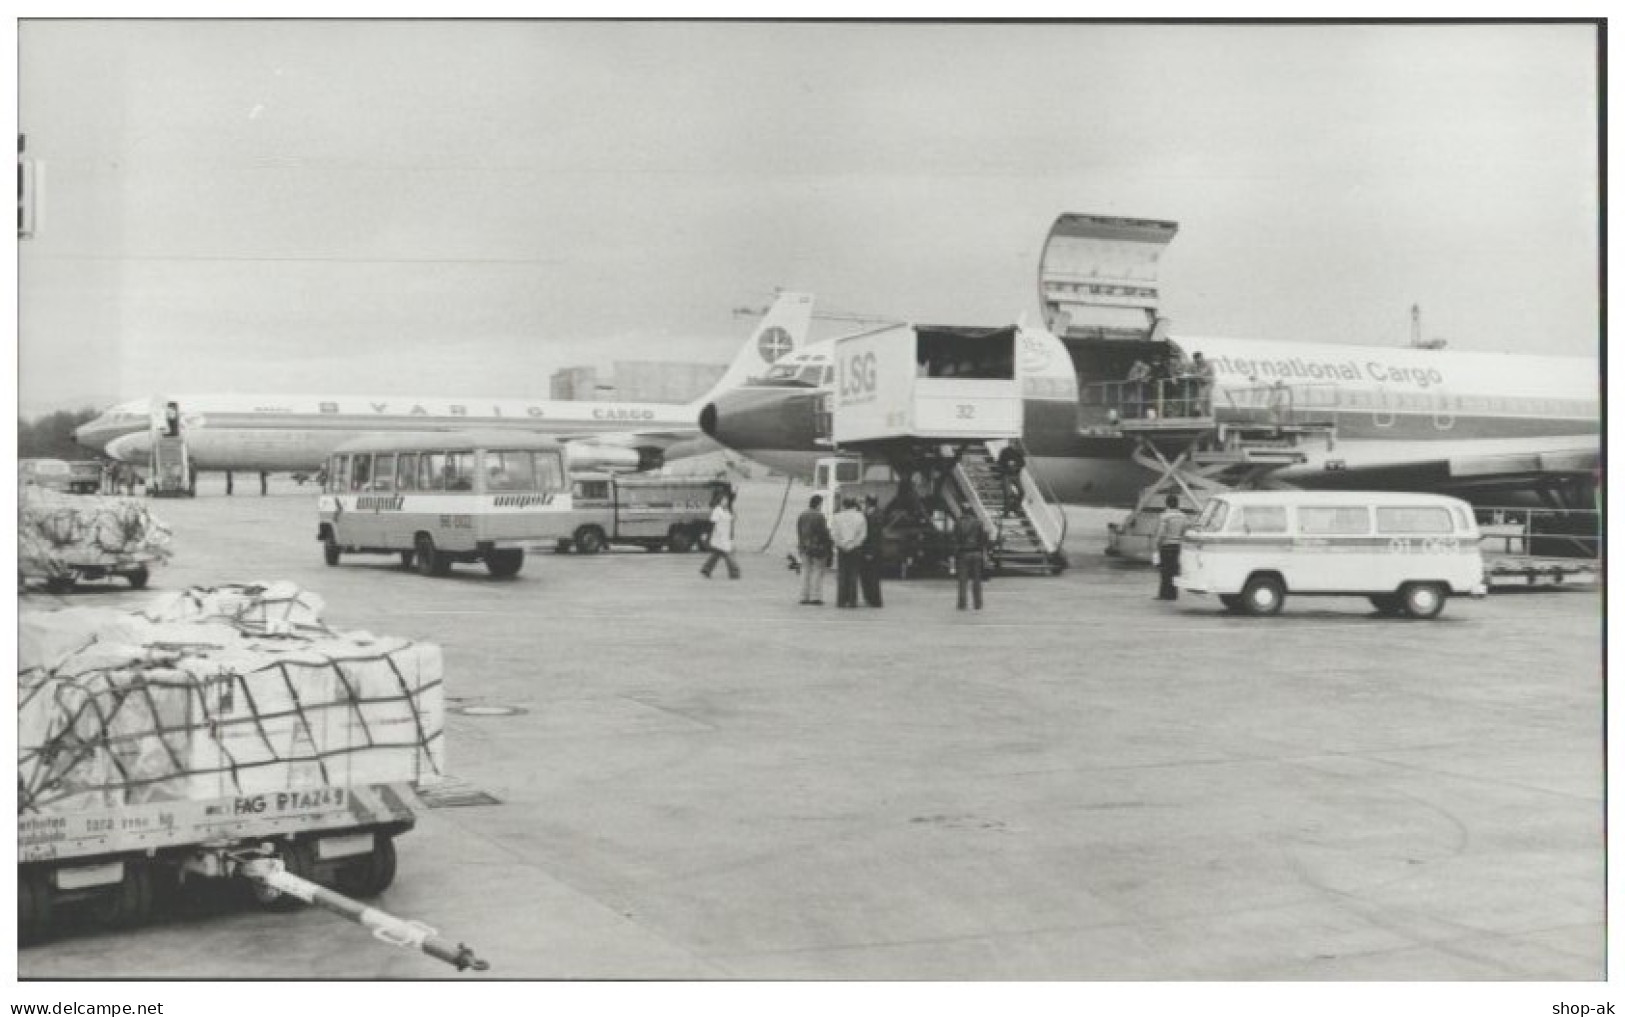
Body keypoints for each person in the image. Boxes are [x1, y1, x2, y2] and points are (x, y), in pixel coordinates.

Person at [830, 496, 868, 608]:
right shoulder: (860, 517)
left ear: (844, 505)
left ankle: (841, 600)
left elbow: (834, 534)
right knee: (853, 574)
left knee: (842, 574)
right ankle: (852, 601)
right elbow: (863, 535)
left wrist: (842, 544)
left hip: (842, 549)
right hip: (855, 549)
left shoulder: (837, 517)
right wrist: (853, 544)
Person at [1152, 493, 1190, 601]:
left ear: (1167, 504)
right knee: (1173, 570)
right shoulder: (1183, 516)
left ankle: (1164, 594)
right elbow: (1185, 531)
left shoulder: (1164, 516)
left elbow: (1161, 533)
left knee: (1165, 571)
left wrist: (1156, 545)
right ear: (1177, 504)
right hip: (1177, 546)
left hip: (1166, 545)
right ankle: (1173, 594)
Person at [795, 494, 832, 605]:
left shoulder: (802, 515)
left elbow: (799, 532)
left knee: (805, 572)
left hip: (804, 547)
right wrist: (828, 546)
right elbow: (823, 533)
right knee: (817, 571)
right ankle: (816, 597)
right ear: (819, 504)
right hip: (817, 548)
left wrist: (801, 546)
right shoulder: (820, 516)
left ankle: (803, 596)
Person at [952, 505, 988, 611]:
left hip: (963, 553)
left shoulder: (958, 523)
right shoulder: (978, 523)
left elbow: (955, 538)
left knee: (962, 580)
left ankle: (962, 603)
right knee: (977, 580)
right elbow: (983, 538)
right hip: (976, 553)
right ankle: (977, 603)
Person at [700, 489, 741, 580]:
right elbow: (711, 524)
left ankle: (706, 569)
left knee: (717, 554)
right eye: (723, 500)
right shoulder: (717, 511)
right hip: (719, 537)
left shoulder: (726, 510)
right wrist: (707, 535)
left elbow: (731, 522)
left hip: (725, 536)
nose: (725, 502)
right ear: (719, 501)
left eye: (726, 500)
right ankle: (734, 572)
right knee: (727, 554)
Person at [860, 495, 885, 608]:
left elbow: (875, 536)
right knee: (867, 576)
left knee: (873, 576)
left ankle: (875, 600)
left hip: (872, 551)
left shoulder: (876, 516)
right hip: (869, 550)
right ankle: (870, 598)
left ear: (868, 503)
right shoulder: (872, 513)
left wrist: (871, 552)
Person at [995, 442, 1026, 517]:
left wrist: (1016, 465)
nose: (1014, 445)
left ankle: (1015, 507)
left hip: (1015, 475)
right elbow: (1000, 462)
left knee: (1022, 492)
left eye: (1015, 444)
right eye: (1012, 444)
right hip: (1007, 475)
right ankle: (1006, 512)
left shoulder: (1018, 452)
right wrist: (1007, 465)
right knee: (1007, 494)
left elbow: (1022, 463)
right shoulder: (1005, 451)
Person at [1190, 351, 1216, 416]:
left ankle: (1210, 416)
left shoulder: (1207, 364)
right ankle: (1203, 415)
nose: (1196, 361)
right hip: (1201, 384)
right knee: (1202, 400)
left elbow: (1202, 373)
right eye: (1195, 359)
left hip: (1208, 384)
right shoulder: (1196, 365)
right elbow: (1195, 374)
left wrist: (1196, 374)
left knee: (1208, 401)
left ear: (1201, 357)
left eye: (1197, 359)